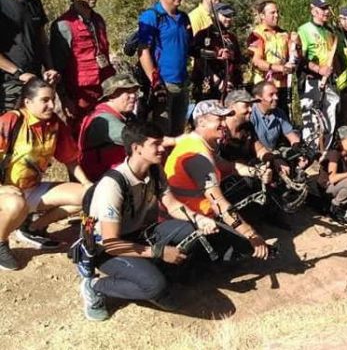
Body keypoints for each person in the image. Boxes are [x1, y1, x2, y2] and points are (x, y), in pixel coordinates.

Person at [81, 122, 201, 321]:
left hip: (137, 235)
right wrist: (159, 252)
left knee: (190, 230)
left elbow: (171, 204)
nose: (163, 148)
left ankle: (155, 272)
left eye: (162, 142)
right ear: (137, 148)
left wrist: (198, 218)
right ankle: (95, 286)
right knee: (155, 286)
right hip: (108, 249)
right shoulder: (113, 185)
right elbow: (111, 243)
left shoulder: (154, 170)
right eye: (156, 144)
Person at [0, 79, 93, 270]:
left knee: (88, 196)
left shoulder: (54, 124)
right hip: (6, 192)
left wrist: (86, 183)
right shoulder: (11, 121)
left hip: (31, 189)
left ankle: (32, 228)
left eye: (53, 99)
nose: (51, 105)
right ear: (27, 102)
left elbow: (69, 159)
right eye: (45, 100)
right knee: (16, 203)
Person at [164, 100, 270, 260]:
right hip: (195, 219)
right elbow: (219, 204)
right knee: (248, 246)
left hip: (199, 211)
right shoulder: (198, 156)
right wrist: (250, 234)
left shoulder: (195, 141)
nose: (224, 124)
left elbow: (229, 166)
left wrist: (256, 172)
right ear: (202, 122)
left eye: (224, 119)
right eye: (219, 119)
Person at [50, 0, 114, 136]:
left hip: (105, 90)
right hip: (79, 96)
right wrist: (65, 100)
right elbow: (57, 67)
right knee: (82, 140)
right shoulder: (63, 25)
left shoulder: (98, 20)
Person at [0, 0, 59, 112]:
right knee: (10, 131)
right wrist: (18, 73)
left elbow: (42, 41)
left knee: (37, 131)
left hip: (36, 82)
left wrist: (49, 69)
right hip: (8, 85)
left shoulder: (33, 2)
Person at [136, 0, 192, 136]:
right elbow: (143, 50)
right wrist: (155, 81)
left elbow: (189, 46)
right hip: (163, 85)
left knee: (178, 133)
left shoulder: (184, 17)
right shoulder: (151, 16)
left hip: (182, 83)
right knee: (161, 133)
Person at [78, 73, 139, 182]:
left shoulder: (126, 115)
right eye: (127, 92)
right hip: (101, 181)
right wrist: (170, 141)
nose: (133, 96)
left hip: (114, 175)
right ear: (111, 96)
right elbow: (136, 139)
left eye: (134, 91)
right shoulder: (104, 119)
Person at [297, 0, 339, 148]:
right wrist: (318, 69)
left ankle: (325, 150)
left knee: (329, 117)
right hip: (312, 80)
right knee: (312, 118)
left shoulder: (330, 31)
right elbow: (300, 58)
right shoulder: (304, 29)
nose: (326, 12)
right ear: (313, 10)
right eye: (322, 9)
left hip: (329, 81)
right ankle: (310, 151)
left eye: (327, 8)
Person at [248, 0, 297, 117]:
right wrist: (279, 68)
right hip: (264, 86)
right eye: (272, 13)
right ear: (262, 16)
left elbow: (293, 56)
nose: (277, 15)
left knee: (283, 118)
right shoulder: (256, 34)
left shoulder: (284, 33)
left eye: (278, 12)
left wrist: (296, 46)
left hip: (283, 85)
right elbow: (256, 61)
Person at [190, 2, 244, 101]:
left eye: (230, 16)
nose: (228, 19)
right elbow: (200, 61)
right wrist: (216, 80)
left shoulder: (232, 38)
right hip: (207, 87)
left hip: (229, 86)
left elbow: (237, 61)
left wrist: (234, 81)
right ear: (213, 15)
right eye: (225, 16)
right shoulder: (202, 35)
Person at [318, 126, 347, 225]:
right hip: (327, 188)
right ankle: (334, 207)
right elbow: (332, 178)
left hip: (339, 185)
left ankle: (342, 204)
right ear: (340, 142)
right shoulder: (334, 154)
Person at [249, 81, 301, 152]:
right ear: (258, 98)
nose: (276, 98)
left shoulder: (279, 113)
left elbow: (291, 135)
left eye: (277, 94)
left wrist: (298, 148)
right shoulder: (250, 115)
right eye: (271, 95)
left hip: (272, 153)